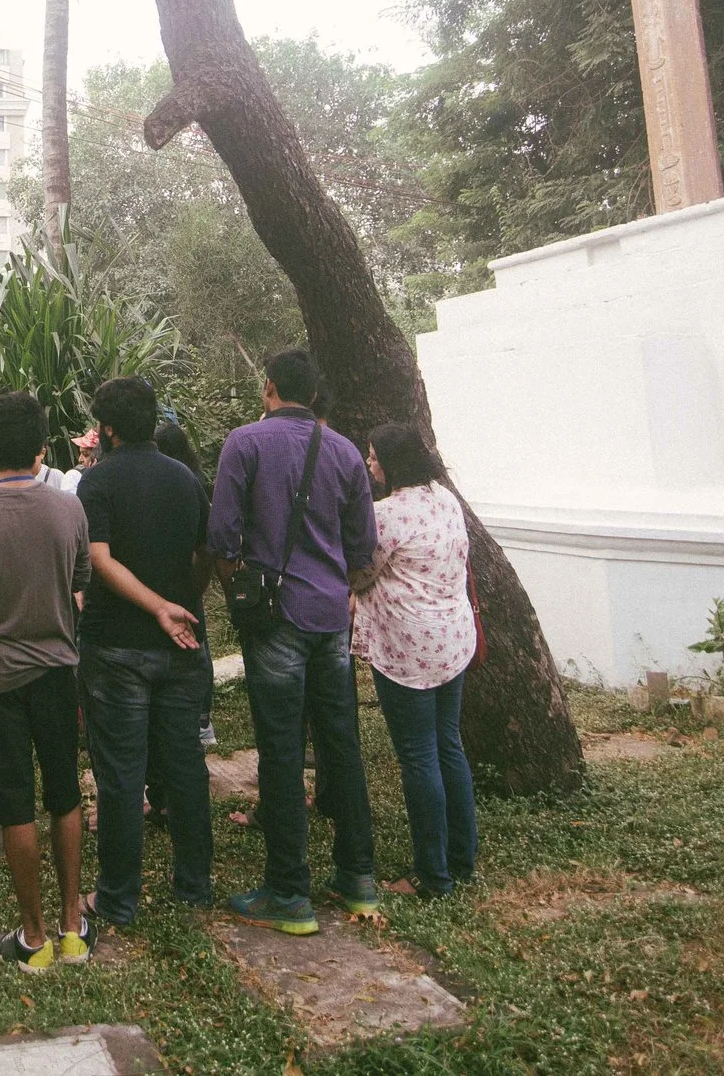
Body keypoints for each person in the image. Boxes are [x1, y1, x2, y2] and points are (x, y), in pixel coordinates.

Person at [208, 348, 380, 934]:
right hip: (332, 617)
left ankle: (289, 891)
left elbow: (221, 535)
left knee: (280, 752)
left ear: (269, 388)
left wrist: (241, 588)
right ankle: (359, 880)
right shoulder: (347, 452)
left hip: (276, 617)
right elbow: (364, 547)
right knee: (341, 746)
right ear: (315, 393)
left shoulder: (245, 443)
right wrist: (341, 586)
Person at [0, 391, 93, 971]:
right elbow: (81, 577)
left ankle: (32, 939)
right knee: (64, 793)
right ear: (41, 449)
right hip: (59, 670)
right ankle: (72, 928)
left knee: (14, 805)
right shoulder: (70, 511)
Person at [77, 376, 214, 926]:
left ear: (107, 428)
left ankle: (117, 898)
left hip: (116, 646)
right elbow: (208, 551)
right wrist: (184, 598)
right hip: (183, 642)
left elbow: (100, 560)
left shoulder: (97, 482)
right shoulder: (185, 478)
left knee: (120, 773)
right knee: (185, 765)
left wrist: (156, 605)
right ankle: (195, 885)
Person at [353, 423, 480, 895]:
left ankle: (432, 874)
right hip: (452, 639)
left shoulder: (384, 516)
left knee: (419, 757)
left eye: (373, 456)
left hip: (408, 649)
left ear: (393, 463)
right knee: (449, 745)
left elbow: (361, 573)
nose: (369, 464)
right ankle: (462, 859)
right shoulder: (446, 499)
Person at [153, 420, 221, 757]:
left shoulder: (170, 482)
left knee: (193, 650)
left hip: (172, 581)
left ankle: (197, 720)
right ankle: (202, 719)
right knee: (198, 647)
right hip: (188, 582)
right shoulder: (194, 482)